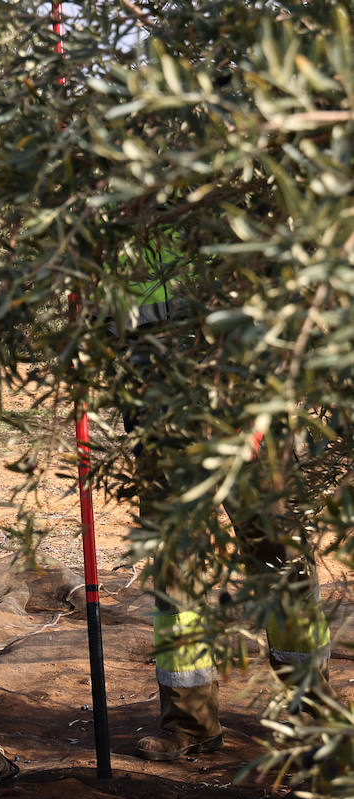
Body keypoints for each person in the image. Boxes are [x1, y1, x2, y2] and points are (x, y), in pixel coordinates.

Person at [114, 235, 331, 761]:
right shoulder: (115, 253)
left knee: (283, 569)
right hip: (163, 440)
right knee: (175, 582)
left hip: (254, 435)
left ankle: (315, 716)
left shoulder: (232, 223)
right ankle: (190, 726)